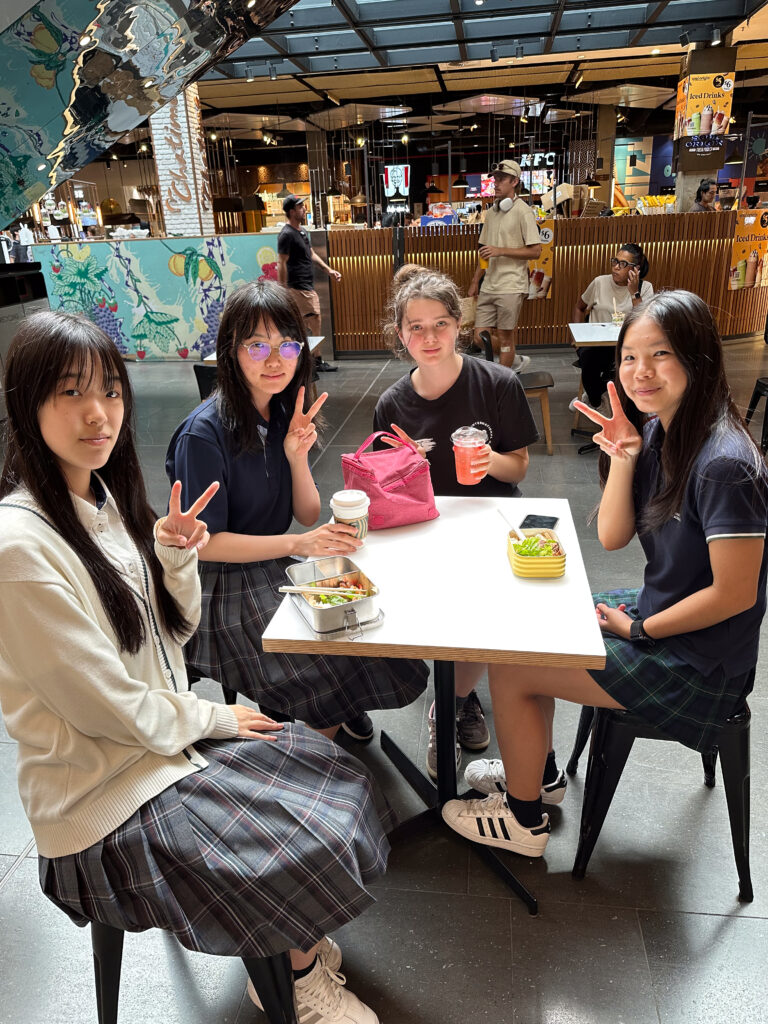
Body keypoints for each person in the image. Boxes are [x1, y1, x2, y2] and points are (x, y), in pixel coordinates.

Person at [0, 310, 389, 1024]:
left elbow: (172, 634)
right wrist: (214, 715)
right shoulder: (19, 548)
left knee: (328, 774)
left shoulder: (97, 501)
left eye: (111, 392)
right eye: (69, 393)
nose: (99, 414)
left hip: (155, 744)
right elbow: (105, 706)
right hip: (101, 795)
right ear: (26, 403)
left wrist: (174, 558)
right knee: (295, 814)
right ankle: (292, 975)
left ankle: (291, 948)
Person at [447, 290, 768, 857]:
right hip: (664, 617)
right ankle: (537, 774)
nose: (640, 372)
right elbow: (613, 536)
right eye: (629, 357)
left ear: (699, 358)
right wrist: (624, 455)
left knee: (513, 664)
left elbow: (735, 594)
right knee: (530, 619)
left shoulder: (725, 464)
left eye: (661, 355)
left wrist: (640, 630)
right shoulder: (665, 432)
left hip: (699, 663)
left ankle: (524, 822)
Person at [166, 280, 428, 745]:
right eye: (257, 345)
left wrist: (295, 455)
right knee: (324, 661)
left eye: (287, 344)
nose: (275, 360)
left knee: (369, 626)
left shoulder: (281, 411)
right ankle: (313, 753)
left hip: (273, 565)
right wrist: (297, 546)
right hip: (220, 585)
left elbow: (307, 514)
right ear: (231, 352)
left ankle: (331, 712)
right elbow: (204, 547)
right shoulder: (203, 435)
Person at [373, 269, 548, 783]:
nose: (430, 339)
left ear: (460, 325)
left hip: (490, 521)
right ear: (400, 334)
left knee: (482, 616)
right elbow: (387, 484)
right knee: (424, 612)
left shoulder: (498, 384)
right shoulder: (391, 405)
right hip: (423, 525)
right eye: (416, 327)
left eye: (441, 324)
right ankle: (449, 695)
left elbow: (517, 467)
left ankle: (453, 700)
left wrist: (487, 459)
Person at [467, 159, 541, 372]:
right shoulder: (491, 213)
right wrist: (475, 281)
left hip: (511, 284)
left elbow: (535, 251)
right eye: (495, 179)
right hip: (489, 283)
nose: (496, 183)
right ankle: (514, 360)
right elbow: (484, 251)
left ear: (515, 181)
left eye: (501, 179)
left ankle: (503, 383)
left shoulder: (523, 211)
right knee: (480, 337)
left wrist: (500, 251)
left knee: (507, 336)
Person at [570, 243, 653, 415]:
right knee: (590, 362)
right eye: (615, 261)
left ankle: (597, 401)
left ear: (635, 269)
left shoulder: (645, 288)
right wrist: (577, 338)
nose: (616, 267)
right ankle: (597, 402)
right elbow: (579, 307)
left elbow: (645, 321)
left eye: (623, 264)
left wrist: (634, 293)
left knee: (630, 370)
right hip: (595, 345)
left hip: (627, 346)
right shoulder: (600, 282)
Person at [277, 194, 340, 372]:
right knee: (314, 319)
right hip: (297, 286)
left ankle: (307, 360)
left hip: (306, 284)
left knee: (306, 322)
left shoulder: (302, 231)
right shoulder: (286, 235)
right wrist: (283, 290)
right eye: (300, 207)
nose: (304, 209)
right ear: (291, 211)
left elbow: (310, 253)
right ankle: (314, 360)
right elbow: (281, 262)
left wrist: (328, 270)